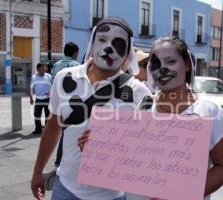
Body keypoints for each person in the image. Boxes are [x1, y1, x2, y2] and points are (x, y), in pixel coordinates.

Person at [79, 36, 223, 200]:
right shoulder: (143, 106)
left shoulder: (209, 111)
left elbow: (222, 166)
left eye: (171, 61)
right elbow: (130, 157)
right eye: (156, 64)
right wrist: (96, 146)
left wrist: (178, 194)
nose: (163, 69)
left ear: (187, 64)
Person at [31, 17, 151, 200]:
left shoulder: (139, 92)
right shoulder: (64, 78)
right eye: (102, 39)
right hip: (65, 189)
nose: (108, 47)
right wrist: (38, 171)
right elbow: (53, 126)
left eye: (118, 43)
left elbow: (148, 147)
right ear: (93, 42)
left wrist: (111, 143)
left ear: (127, 51)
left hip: (111, 195)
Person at [51, 42, 80, 172]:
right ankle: (63, 161)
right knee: (69, 134)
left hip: (57, 103)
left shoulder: (55, 66)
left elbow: (53, 85)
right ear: (75, 53)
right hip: (72, 106)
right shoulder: (77, 66)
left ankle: (58, 161)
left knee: (58, 131)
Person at [29, 63, 52, 135]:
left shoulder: (49, 76)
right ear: (38, 69)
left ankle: (46, 129)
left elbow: (53, 86)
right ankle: (38, 129)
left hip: (47, 99)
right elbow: (31, 88)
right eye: (42, 68)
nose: (44, 70)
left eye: (44, 68)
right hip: (38, 99)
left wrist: (50, 94)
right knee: (36, 115)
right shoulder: (34, 77)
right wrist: (31, 98)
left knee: (48, 115)